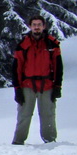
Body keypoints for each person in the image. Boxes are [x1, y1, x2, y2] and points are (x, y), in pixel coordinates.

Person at [11, 15, 63, 144]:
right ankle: (18, 142)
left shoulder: (52, 44)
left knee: (48, 115)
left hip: (47, 85)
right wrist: (17, 89)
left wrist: (57, 86)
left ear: (43, 26)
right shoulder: (23, 45)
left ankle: (50, 141)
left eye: (39, 24)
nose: (36, 27)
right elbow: (16, 68)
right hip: (27, 85)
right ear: (30, 26)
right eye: (34, 25)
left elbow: (58, 66)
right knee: (24, 115)